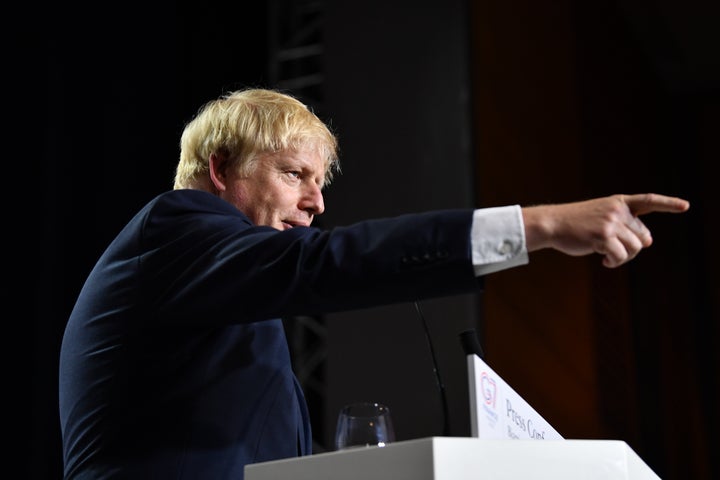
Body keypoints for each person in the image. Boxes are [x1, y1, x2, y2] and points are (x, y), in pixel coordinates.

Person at [58, 87, 689, 479]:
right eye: (295, 173)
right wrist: (542, 224)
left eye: (321, 183)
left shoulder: (219, 284)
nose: (316, 203)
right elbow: (326, 263)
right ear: (222, 168)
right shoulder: (177, 228)